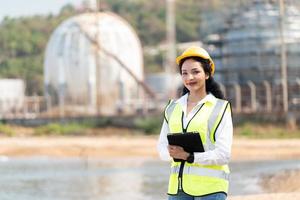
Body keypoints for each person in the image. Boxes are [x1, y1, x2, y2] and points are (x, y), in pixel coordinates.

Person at [157, 46, 233, 200]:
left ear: (207, 74)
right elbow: (162, 147)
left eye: (195, 71)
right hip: (178, 189)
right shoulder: (172, 108)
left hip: (211, 190)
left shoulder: (220, 108)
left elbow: (224, 155)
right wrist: (172, 153)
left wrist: (189, 156)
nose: (189, 77)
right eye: (184, 73)